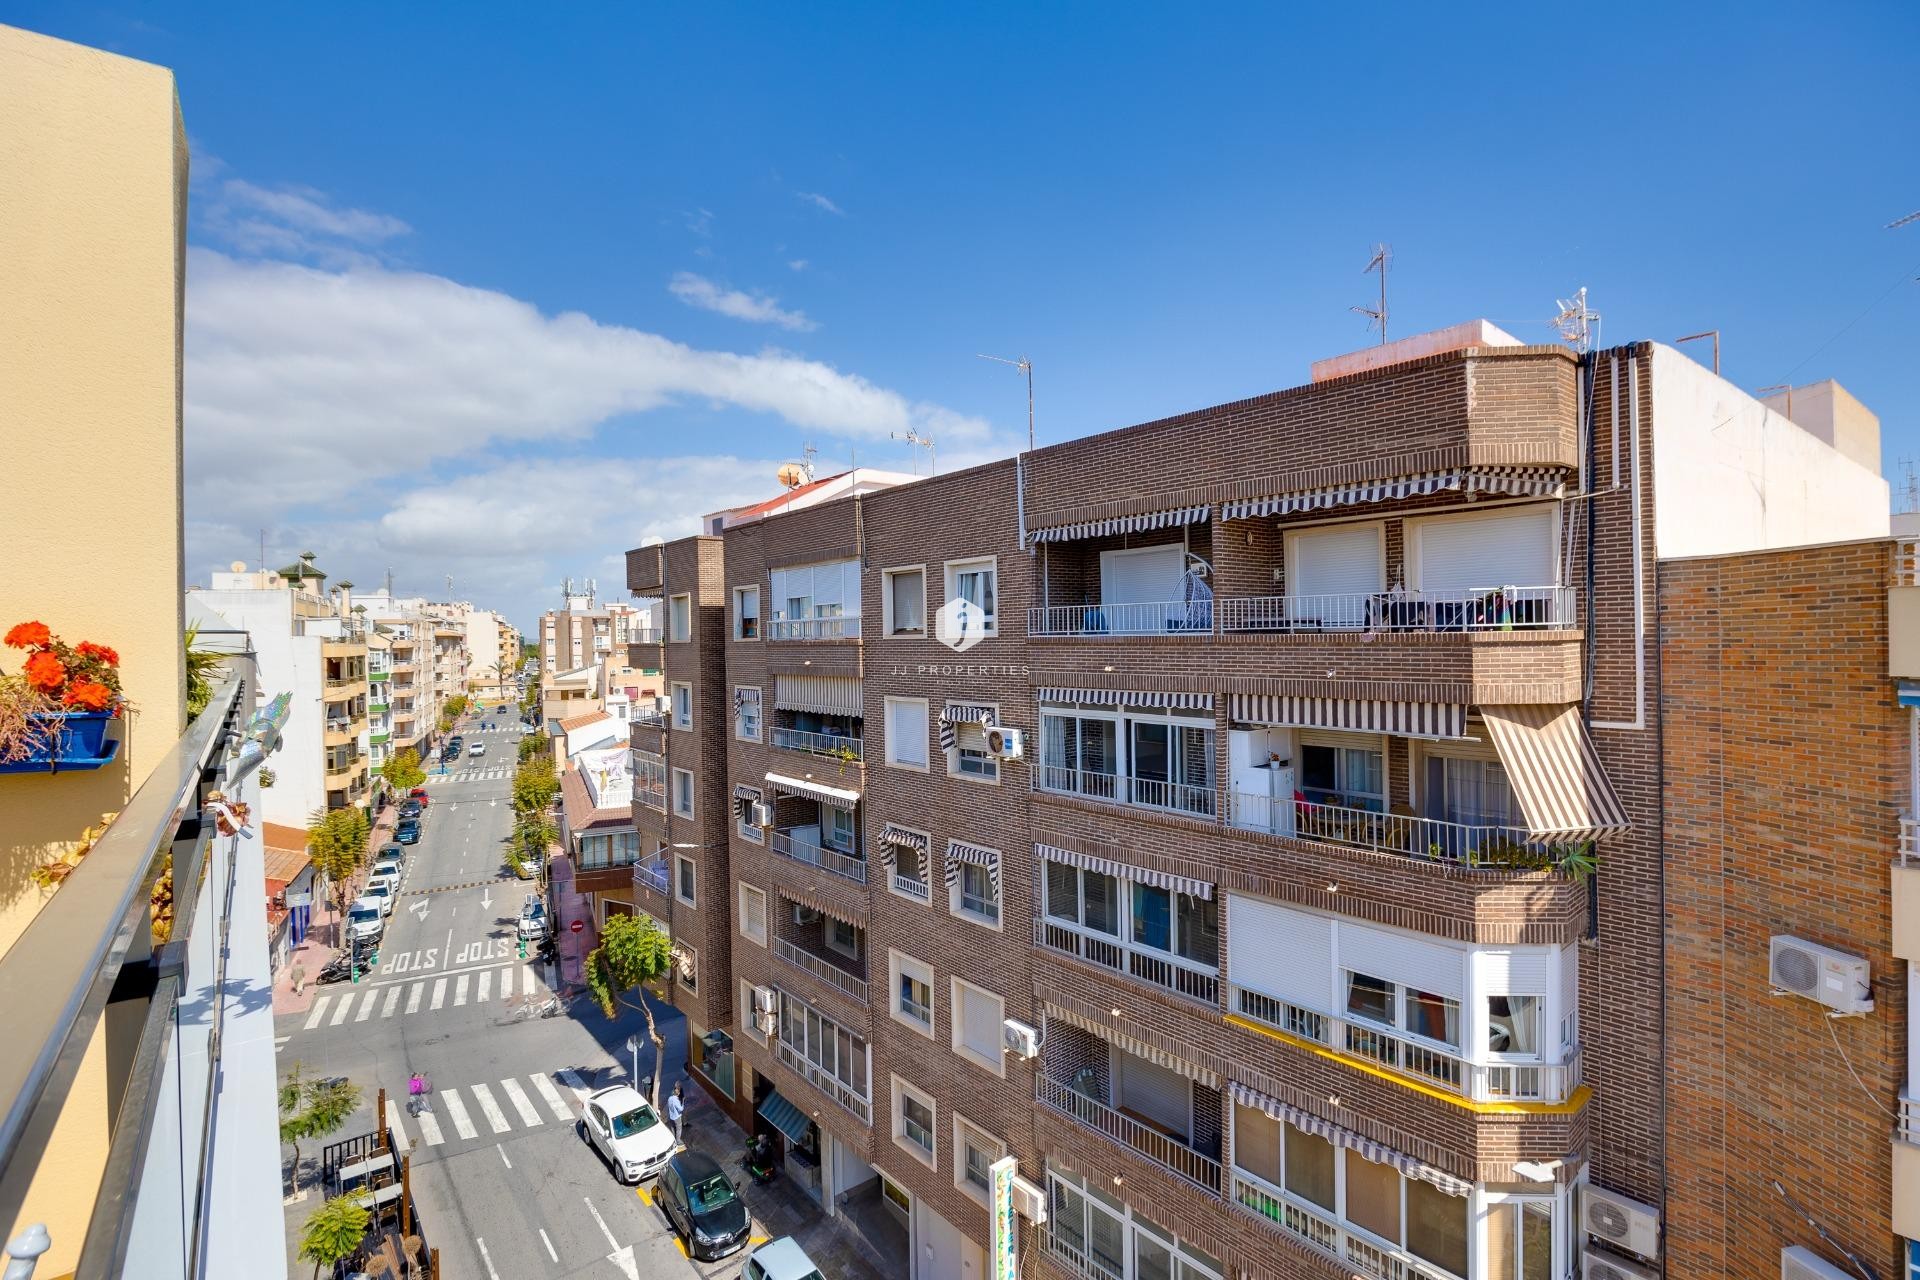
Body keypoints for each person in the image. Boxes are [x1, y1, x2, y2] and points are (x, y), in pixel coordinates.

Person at [665, 1080, 685, 1147]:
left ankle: (673, 1139)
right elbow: (681, 1109)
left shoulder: (669, 1098)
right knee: (679, 1128)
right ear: (678, 1093)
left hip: (671, 1116)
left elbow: (669, 1106)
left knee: (673, 1127)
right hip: (677, 1117)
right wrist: (683, 1102)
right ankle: (678, 1141)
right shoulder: (676, 1100)